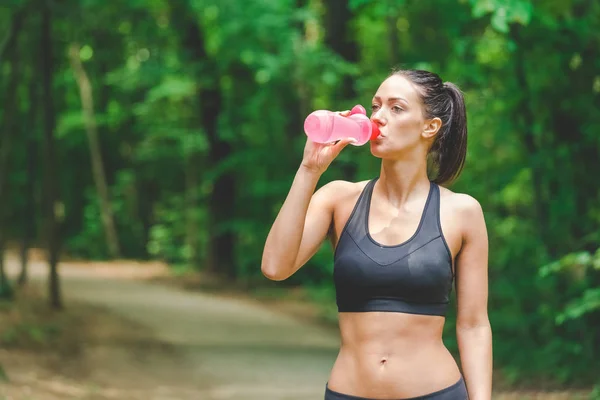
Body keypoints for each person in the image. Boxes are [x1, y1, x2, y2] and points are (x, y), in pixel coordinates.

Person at [261, 69, 492, 400]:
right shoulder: (337, 199)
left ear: (430, 127)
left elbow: (473, 325)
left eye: (396, 108)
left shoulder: (462, 213)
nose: (379, 117)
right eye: (375, 106)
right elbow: (274, 266)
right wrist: (310, 169)